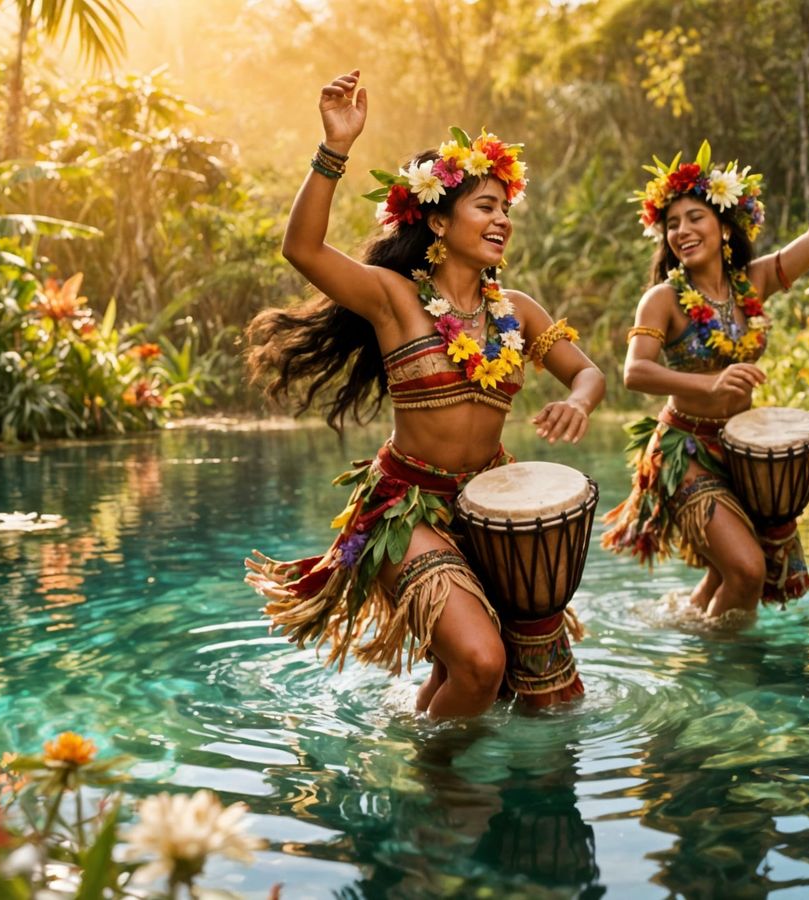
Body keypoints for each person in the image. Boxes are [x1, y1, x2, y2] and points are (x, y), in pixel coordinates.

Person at [244, 70, 605, 716]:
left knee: (508, 685)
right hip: (404, 509)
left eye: (505, 209)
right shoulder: (395, 301)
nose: (501, 221)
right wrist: (336, 148)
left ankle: (431, 766)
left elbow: (589, 372)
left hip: (487, 513)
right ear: (438, 220)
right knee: (482, 661)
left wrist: (577, 400)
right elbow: (301, 248)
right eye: (485, 207)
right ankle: (435, 797)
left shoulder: (518, 312)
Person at [602, 104, 809, 620]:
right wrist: (711, 383)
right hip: (686, 449)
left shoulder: (755, 281)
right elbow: (635, 373)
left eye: (695, 217)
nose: (682, 230)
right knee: (745, 570)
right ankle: (727, 683)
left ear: (725, 228)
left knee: (728, 572)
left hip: (743, 450)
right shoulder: (663, 299)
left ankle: (690, 628)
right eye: (672, 224)